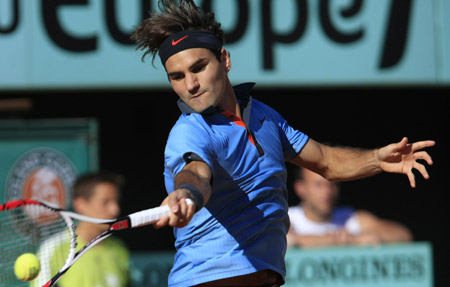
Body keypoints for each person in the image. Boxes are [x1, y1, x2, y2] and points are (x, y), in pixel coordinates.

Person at [131, 1, 435, 286]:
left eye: (198, 68)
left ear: (224, 59)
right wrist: (187, 194)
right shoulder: (189, 132)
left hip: (259, 276)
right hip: (211, 279)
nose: (190, 85)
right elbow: (196, 173)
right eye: (177, 76)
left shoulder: (264, 116)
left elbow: (326, 161)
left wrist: (376, 160)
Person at [32, 171, 131, 287]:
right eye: (105, 202)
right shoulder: (52, 249)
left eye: (116, 201)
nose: (115, 210)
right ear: (81, 205)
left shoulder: (120, 249)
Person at [287, 167, 413, 248]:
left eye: (332, 184)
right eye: (318, 185)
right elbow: (286, 242)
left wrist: (358, 238)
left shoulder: (350, 218)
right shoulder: (288, 218)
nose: (327, 192)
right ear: (300, 188)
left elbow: (403, 235)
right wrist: (347, 241)